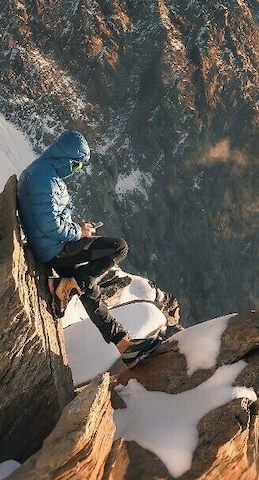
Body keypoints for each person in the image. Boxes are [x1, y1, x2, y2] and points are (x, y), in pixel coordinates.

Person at [18, 131, 162, 363]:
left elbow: (48, 218)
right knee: (118, 248)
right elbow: (49, 225)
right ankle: (70, 284)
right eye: (76, 165)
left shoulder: (43, 171)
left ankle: (124, 345)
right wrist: (79, 231)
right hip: (53, 249)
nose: (76, 170)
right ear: (67, 159)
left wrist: (78, 227)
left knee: (87, 287)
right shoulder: (43, 178)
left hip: (51, 246)